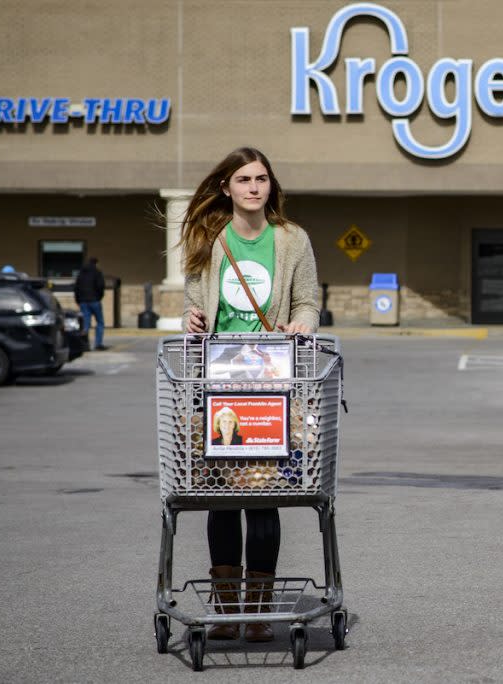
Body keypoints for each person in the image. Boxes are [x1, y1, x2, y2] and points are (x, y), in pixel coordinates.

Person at [179, 146, 319, 642]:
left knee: (263, 497)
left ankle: (257, 612)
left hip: (273, 383)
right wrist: (191, 319)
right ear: (226, 188)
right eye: (243, 179)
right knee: (221, 497)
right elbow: (194, 305)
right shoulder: (208, 238)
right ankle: (225, 608)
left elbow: (308, 300)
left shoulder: (291, 240)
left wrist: (303, 320)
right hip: (217, 385)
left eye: (261, 178)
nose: (254, 187)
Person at [73, 257, 108, 351]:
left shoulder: (81, 274)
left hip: (83, 302)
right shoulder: (97, 273)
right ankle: (98, 344)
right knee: (100, 322)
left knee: (85, 324)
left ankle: (84, 345)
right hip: (94, 301)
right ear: (96, 263)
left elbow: (76, 288)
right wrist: (99, 297)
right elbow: (101, 286)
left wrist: (78, 300)